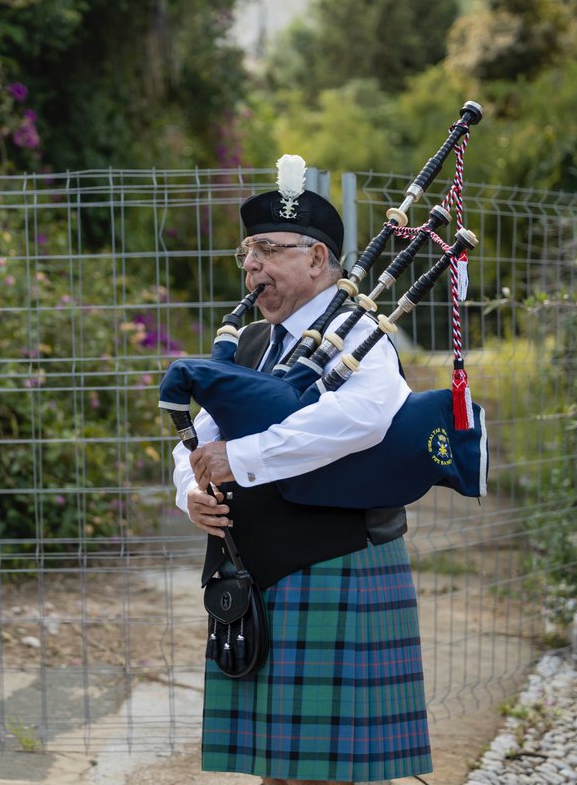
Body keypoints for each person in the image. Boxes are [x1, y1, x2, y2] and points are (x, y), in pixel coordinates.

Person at [171, 157, 432, 785]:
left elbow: (365, 417)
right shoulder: (254, 345)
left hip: (335, 563)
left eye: (267, 250)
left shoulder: (362, 335)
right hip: (258, 568)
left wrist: (246, 458)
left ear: (318, 260)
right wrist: (190, 490)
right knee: (276, 766)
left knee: (325, 772)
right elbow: (199, 436)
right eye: (246, 252)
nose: (251, 265)